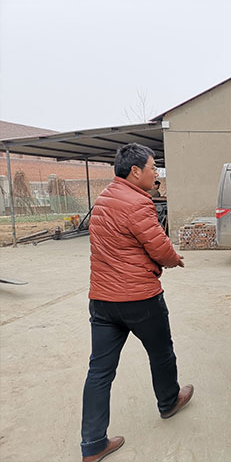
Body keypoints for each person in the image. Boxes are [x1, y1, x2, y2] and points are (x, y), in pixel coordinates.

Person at [80, 143, 193, 462]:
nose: (155, 174)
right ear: (135, 171)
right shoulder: (138, 203)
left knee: (99, 370)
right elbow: (159, 247)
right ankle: (169, 403)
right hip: (139, 299)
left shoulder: (103, 199)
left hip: (102, 300)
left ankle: (92, 444)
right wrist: (174, 260)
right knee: (161, 353)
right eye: (152, 168)